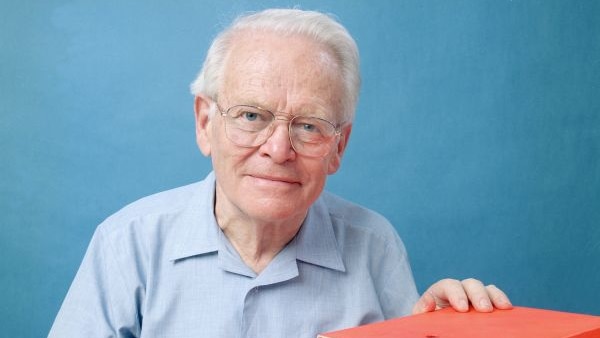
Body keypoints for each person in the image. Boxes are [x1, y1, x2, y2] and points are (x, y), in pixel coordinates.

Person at [48, 8, 512, 338]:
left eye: (308, 126)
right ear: (205, 123)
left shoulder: (376, 247)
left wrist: (443, 326)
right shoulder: (126, 243)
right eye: (251, 116)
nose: (278, 149)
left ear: (338, 147)